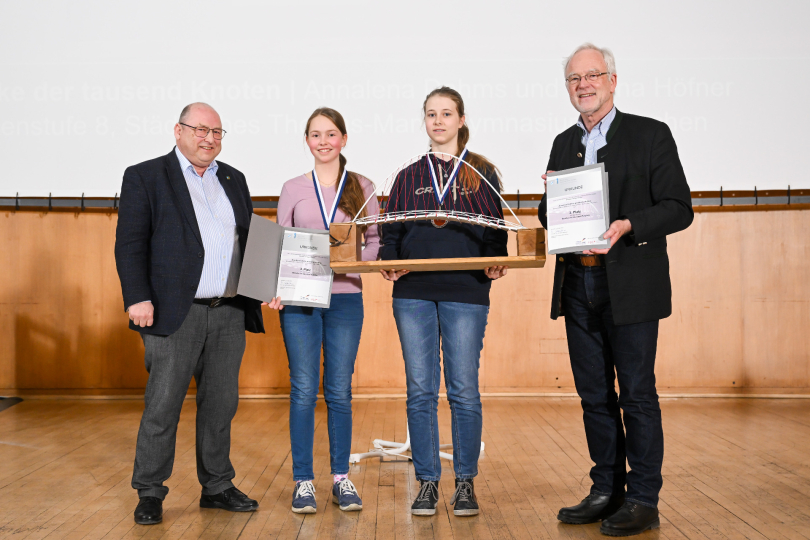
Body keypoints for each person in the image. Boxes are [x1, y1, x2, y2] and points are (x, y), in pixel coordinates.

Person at [538, 44, 693, 536]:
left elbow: (678, 207)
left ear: (612, 80)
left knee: (637, 394)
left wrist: (629, 224)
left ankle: (644, 497)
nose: (583, 85)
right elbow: (552, 219)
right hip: (578, 280)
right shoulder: (564, 142)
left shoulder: (651, 134)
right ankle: (606, 489)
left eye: (592, 76)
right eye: (574, 79)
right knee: (592, 395)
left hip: (630, 282)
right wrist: (552, 198)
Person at [114, 102, 267, 525]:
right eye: (200, 129)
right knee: (162, 405)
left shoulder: (233, 178)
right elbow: (129, 243)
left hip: (228, 311)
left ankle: (217, 486)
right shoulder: (145, 175)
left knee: (221, 405)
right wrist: (137, 297)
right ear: (178, 131)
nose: (209, 138)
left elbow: (249, 242)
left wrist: (268, 288)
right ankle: (149, 491)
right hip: (171, 312)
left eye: (217, 132)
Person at [379, 87, 508, 517]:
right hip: (413, 292)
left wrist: (496, 262)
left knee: (463, 390)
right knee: (420, 391)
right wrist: (388, 263)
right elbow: (391, 232)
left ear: (460, 119)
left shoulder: (482, 174)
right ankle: (428, 483)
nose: (438, 121)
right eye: (431, 114)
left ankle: (466, 483)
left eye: (446, 113)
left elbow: (496, 234)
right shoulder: (407, 175)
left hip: (466, 293)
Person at [276, 107, 380, 514]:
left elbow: (375, 242)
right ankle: (304, 482)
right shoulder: (291, 188)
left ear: (344, 139)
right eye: (316, 135)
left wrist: (352, 262)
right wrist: (278, 288)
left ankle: (341, 479)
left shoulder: (363, 185)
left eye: (331, 134)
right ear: (307, 141)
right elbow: (280, 244)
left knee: (338, 389)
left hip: (345, 297)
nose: (323, 142)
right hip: (300, 298)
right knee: (303, 389)